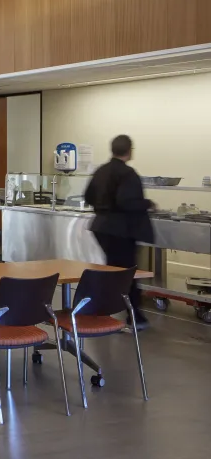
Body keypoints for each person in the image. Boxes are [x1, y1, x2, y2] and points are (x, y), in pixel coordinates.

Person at [84, 134, 154, 330]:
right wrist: (148, 203)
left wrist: (103, 207)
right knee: (127, 274)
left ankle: (103, 311)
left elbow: (88, 196)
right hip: (122, 230)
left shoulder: (101, 171)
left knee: (112, 270)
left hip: (101, 227)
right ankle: (134, 317)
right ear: (129, 151)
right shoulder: (128, 174)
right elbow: (127, 202)